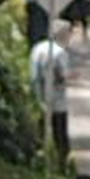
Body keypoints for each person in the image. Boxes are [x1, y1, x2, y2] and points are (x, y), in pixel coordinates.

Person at [29, 21, 75, 162]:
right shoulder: (60, 52)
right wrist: (73, 77)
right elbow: (62, 75)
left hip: (38, 95)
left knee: (41, 130)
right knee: (60, 135)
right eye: (68, 34)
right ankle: (61, 162)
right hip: (58, 100)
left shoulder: (38, 48)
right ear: (62, 34)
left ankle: (39, 156)